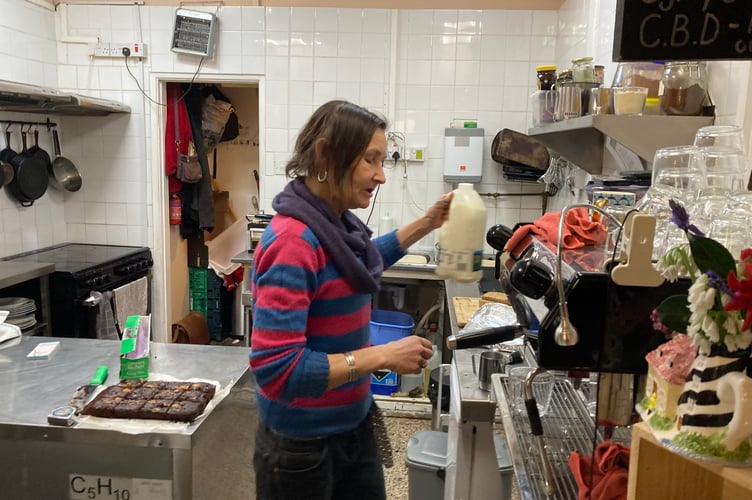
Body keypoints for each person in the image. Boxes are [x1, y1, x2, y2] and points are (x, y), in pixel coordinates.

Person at [250, 100, 452, 500]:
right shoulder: (294, 241)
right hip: (301, 447)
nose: (380, 176)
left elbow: (362, 261)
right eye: (370, 160)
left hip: (352, 424)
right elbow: (278, 370)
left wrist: (427, 223)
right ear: (326, 154)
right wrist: (382, 356)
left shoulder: (333, 222)